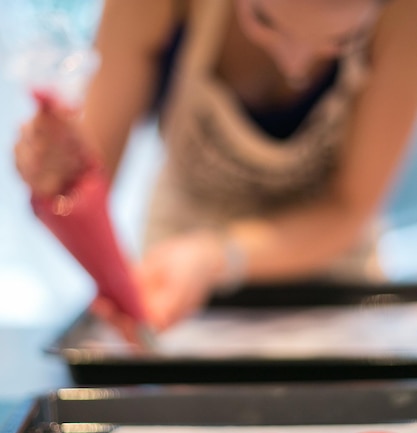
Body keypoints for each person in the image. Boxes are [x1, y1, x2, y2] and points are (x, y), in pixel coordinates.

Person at [14, 0, 417, 336]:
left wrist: (218, 255)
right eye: (264, 20)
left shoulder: (405, 17)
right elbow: (90, 173)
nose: (296, 68)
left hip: (336, 282)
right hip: (176, 284)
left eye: (341, 40)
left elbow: (348, 207)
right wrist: (55, 169)